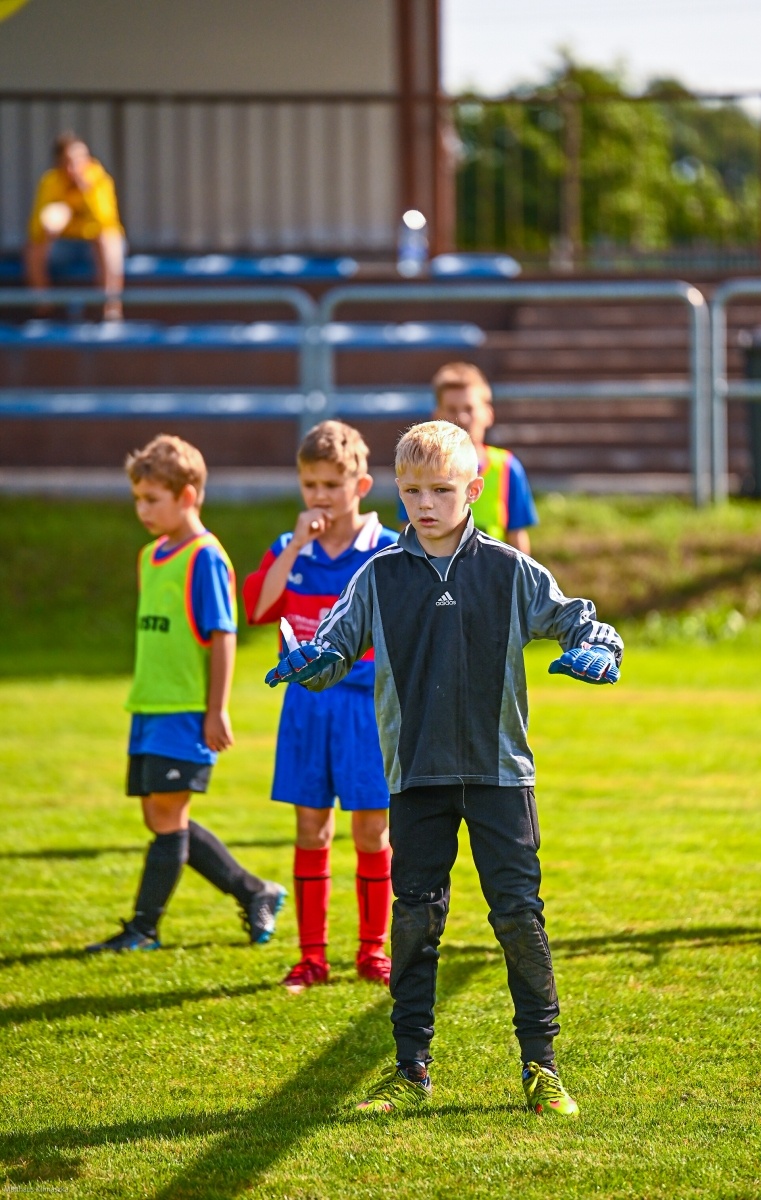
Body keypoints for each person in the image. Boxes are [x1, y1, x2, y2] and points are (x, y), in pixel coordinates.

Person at [266, 420, 623, 1117]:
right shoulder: (378, 576)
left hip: (500, 774)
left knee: (519, 917)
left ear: (474, 489)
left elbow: (581, 620)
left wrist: (600, 651)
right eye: (411, 490)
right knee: (416, 921)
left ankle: (542, 1068)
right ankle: (409, 1070)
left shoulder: (510, 571)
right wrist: (309, 665)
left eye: (440, 489)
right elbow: (332, 648)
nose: (424, 503)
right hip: (415, 775)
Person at [87, 434, 286, 953]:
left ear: (188, 495)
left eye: (152, 499)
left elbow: (223, 634)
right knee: (159, 816)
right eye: (138, 499)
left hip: (185, 711)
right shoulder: (151, 555)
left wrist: (215, 709)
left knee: (168, 817)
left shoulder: (206, 558)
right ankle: (254, 890)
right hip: (148, 707)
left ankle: (143, 929)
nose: (142, 509)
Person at [243, 420, 398, 992]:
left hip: (365, 707)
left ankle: (373, 951)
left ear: (361, 485)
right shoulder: (290, 548)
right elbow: (258, 607)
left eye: (332, 484)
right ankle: (311, 958)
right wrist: (298, 546)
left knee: (372, 832)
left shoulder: (385, 551)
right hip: (306, 709)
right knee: (311, 829)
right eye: (310, 484)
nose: (319, 496)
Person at [397, 362, 538, 553]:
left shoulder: (507, 467)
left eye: (469, 409)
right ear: (437, 416)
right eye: (452, 409)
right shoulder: (417, 467)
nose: (461, 418)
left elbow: (517, 536)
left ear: (488, 414)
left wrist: (521, 581)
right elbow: (407, 534)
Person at [26, 130, 125, 321]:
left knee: (107, 240)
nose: (77, 166)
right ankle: (43, 307)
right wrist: (50, 226)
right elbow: (36, 229)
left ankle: (111, 309)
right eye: (70, 161)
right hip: (64, 245)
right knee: (33, 247)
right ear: (60, 162)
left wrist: (86, 191)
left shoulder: (98, 179)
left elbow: (105, 221)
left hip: (94, 245)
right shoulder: (51, 182)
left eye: (82, 159)